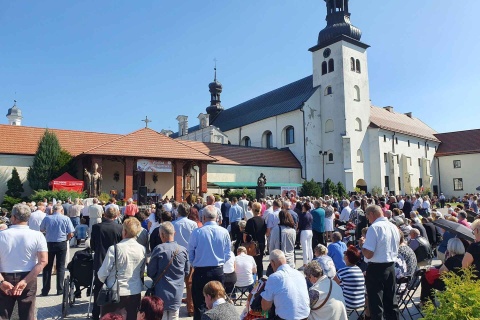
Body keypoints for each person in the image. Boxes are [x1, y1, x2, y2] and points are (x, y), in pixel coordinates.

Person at [0, 204, 48, 319]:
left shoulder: (2, 235)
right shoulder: (38, 236)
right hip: (28, 275)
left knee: (2, 314)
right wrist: (25, 281)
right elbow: (43, 261)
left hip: (5, 274)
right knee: (27, 314)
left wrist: (1, 282)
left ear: (14, 218)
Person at [188, 205, 231, 320]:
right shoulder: (224, 232)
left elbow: (190, 253)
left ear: (203, 217)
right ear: (217, 217)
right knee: (219, 302)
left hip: (201, 271)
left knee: (199, 304)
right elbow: (228, 253)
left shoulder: (197, 232)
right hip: (217, 270)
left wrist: (194, 263)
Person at [97, 218, 146, 320]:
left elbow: (102, 274)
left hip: (115, 293)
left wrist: (107, 281)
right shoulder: (142, 249)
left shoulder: (114, 248)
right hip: (134, 291)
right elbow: (142, 272)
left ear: (124, 231)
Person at [360, 205, 400, 320]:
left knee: (376, 305)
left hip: (377, 268)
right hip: (391, 266)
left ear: (372, 214)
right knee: (391, 302)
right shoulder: (393, 226)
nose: (368, 219)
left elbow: (369, 254)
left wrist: (362, 246)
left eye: (368, 217)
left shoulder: (374, 227)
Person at [148, 222, 189, 320]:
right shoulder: (183, 250)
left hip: (160, 290)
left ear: (161, 235)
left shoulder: (159, 249)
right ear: (174, 233)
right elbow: (186, 272)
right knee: (174, 316)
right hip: (177, 292)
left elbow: (150, 272)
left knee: (161, 316)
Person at [90, 206, 124, 320]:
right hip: (115, 262)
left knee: (98, 288)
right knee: (114, 287)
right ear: (116, 216)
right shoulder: (119, 228)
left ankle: (96, 314)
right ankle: (113, 313)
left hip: (100, 260)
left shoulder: (96, 227)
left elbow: (93, 245)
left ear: (104, 215)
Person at [261, 250, 310, 319]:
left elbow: (265, 306)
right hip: (305, 316)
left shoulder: (274, 277)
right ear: (285, 260)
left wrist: (264, 315)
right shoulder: (299, 274)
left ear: (272, 263)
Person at [40, 204, 74, 296]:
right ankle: (60, 289)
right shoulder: (66, 218)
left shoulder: (47, 218)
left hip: (49, 243)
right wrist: (66, 239)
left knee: (47, 267)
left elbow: (41, 229)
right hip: (61, 242)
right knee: (60, 266)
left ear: (53, 210)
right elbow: (71, 233)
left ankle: (45, 290)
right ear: (61, 210)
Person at [420, 238, 465, 304]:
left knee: (425, 278)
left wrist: (448, 257)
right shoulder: (464, 257)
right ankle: (427, 301)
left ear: (451, 248)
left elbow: (441, 272)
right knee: (428, 279)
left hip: (449, 284)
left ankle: (426, 302)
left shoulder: (452, 260)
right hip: (460, 283)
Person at [333, 245, 365, 311]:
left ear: (346, 258)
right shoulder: (359, 270)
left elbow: (333, 284)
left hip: (349, 304)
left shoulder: (342, 271)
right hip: (361, 302)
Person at [244, 202, 267, 277]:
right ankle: (260, 278)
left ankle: (252, 278)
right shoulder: (263, 220)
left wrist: (245, 242)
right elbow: (265, 231)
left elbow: (245, 234)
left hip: (252, 243)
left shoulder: (250, 221)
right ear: (260, 210)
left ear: (252, 210)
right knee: (260, 261)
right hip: (261, 242)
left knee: (251, 261)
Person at [298, 202, 314, 267]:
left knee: (305, 248)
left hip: (304, 231)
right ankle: (311, 261)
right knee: (310, 247)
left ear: (304, 207)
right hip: (310, 230)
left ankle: (305, 263)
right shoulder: (310, 214)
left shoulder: (302, 215)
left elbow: (300, 224)